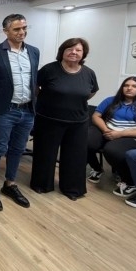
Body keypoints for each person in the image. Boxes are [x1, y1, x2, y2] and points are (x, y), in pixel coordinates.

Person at [0, 14, 39, 211]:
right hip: (5, 110)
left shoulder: (33, 51)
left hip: (27, 110)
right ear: (6, 31)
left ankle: (10, 184)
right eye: (16, 29)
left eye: (24, 28)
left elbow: (33, 80)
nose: (22, 32)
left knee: (18, 149)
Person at [29, 38, 99, 200]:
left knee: (75, 157)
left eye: (78, 50)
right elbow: (35, 88)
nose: (74, 52)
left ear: (83, 54)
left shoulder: (89, 73)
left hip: (78, 123)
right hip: (48, 119)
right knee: (45, 154)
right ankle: (42, 184)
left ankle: (72, 189)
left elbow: (91, 92)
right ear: (62, 51)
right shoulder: (49, 70)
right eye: (70, 49)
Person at [86, 76, 136, 198]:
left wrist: (120, 134)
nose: (129, 88)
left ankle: (130, 181)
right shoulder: (111, 100)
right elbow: (96, 116)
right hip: (109, 130)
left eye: (134, 86)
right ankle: (97, 168)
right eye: (126, 85)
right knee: (84, 139)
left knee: (112, 149)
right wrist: (106, 130)